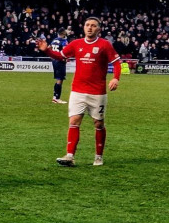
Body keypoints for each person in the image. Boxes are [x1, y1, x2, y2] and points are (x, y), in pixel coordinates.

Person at [37, 16, 121, 166]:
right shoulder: (76, 44)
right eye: (87, 25)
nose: (90, 28)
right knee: (74, 121)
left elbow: (116, 63)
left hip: (98, 92)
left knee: (98, 124)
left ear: (99, 29)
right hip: (78, 90)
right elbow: (60, 56)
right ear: (83, 27)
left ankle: (98, 156)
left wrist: (116, 78)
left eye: (93, 25)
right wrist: (47, 51)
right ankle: (70, 156)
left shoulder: (105, 45)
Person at [49, 29, 69, 104]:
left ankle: (55, 97)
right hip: (60, 61)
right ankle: (57, 98)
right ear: (64, 34)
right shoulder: (64, 41)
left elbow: (49, 48)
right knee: (60, 79)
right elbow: (65, 50)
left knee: (58, 79)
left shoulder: (54, 40)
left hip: (54, 61)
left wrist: (52, 58)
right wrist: (65, 59)